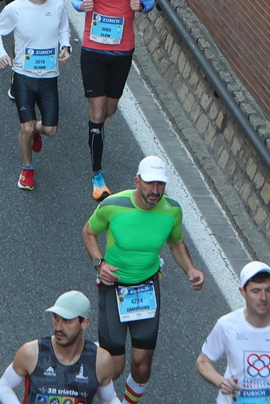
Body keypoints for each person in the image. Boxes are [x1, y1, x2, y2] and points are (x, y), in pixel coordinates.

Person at [81, 155, 207, 403]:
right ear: (137, 181)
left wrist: (191, 270)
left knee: (142, 365)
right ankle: (95, 355)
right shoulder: (113, 205)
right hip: (114, 286)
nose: (155, 190)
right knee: (114, 367)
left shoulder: (172, 210)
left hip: (147, 288)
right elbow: (88, 232)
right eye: (150, 183)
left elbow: (176, 242)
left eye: (160, 184)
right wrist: (99, 263)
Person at [74, 0, 155, 201]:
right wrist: (80, 5)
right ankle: (97, 175)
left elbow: (150, 0)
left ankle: (98, 126)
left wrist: (141, 6)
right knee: (96, 113)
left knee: (110, 108)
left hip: (122, 51)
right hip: (93, 50)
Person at [0, 0, 72, 191]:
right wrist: (1, 54)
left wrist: (66, 48)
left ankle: (36, 130)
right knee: (25, 127)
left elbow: (64, 29)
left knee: (51, 129)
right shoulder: (15, 9)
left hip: (49, 77)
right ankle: (27, 169)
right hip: (23, 76)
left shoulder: (58, 6)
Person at [196, 261, 270, 403]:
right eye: (256, 291)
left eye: (268, 290)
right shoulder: (227, 324)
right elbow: (203, 361)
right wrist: (221, 381)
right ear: (243, 292)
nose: (263, 298)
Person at [0, 290, 121, 404]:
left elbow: (110, 399)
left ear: (84, 323)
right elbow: (4, 385)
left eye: (67, 320)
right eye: (56, 318)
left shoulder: (100, 360)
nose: (59, 327)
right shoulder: (32, 353)